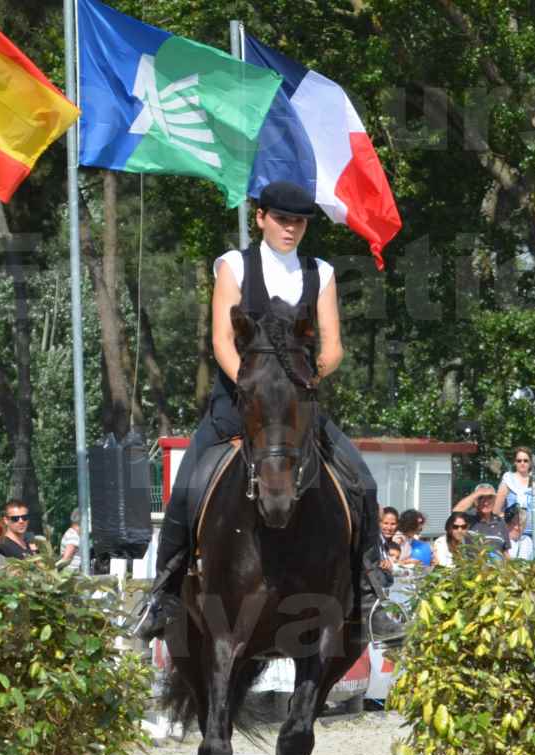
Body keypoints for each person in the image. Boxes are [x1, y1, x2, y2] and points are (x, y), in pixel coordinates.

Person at [140, 180, 396, 641]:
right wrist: (252, 388)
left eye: (298, 221)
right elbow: (221, 339)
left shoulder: (321, 272)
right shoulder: (233, 265)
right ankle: (163, 595)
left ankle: (371, 591)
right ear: (260, 217)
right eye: (282, 219)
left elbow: (333, 346)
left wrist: (307, 380)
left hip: (296, 407)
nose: (290, 228)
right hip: (238, 403)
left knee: (362, 481)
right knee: (187, 487)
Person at [493, 447, 535, 556]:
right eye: (519, 460)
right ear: (515, 462)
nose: (522, 463)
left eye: (525, 460)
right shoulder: (508, 480)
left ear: (530, 463)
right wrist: (508, 520)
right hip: (512, 532)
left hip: (531, 532)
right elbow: (496, 510)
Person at [453, 483, 510, 560]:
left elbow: (505, 552)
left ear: (494, 500)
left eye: (490, 498)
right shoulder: (468, 519)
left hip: (497, 570)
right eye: (481, 498)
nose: (486, 503)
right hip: (474, 569)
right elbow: (455, 513)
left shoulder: (500, 522)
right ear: (475, 501)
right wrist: (477, 493)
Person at [379, 506, 400, 572]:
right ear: (379, 523)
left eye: (393, 524)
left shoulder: (395, 546)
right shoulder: (373, 545)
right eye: (385, 523)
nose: (389, 528)